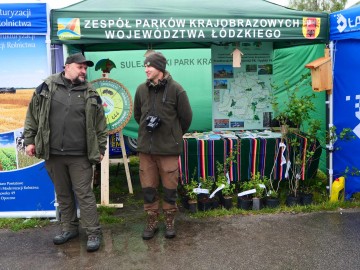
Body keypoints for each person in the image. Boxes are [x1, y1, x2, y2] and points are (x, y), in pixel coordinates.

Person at [23, 53, 108, 252]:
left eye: (85, 69)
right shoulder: (47, 86)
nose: (84, 71)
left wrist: (101, 148)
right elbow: (33, 115)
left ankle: (93, 232)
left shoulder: (90, 92)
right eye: (80, 67)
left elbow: (101, 126)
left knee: (84, 194)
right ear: (67, 66)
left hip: (80, 155)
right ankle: (69, 228)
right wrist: (29, 140)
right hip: (53, 154)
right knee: (63, 194)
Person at [134, 51, 193, 240]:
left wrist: (173, 135)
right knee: (148, 187)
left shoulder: (177, 89)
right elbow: (138, 115)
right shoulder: (141, 90)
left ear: (159, 68)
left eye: (149, 66)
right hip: (146, 150)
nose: (146, 69)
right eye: (145, 66)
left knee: (169, 188)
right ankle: (151, 221)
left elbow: (186, 118)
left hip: (168, 149)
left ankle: (169, 220)